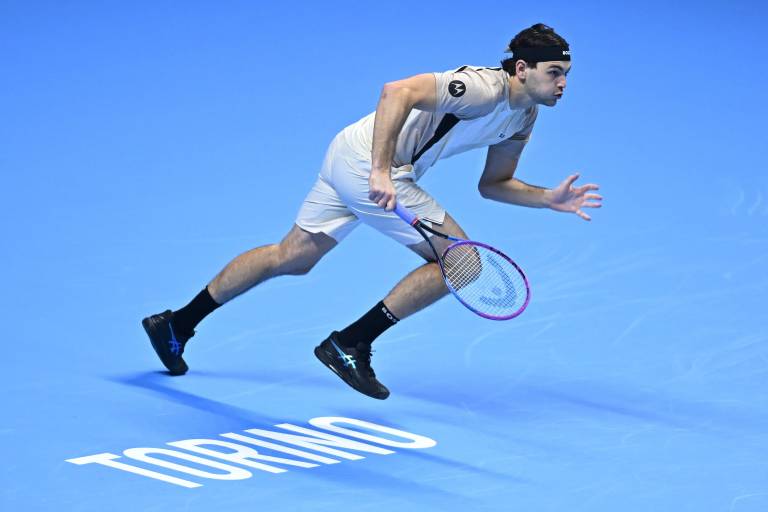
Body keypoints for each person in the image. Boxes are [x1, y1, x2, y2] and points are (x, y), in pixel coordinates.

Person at [142, 23, 602, 400]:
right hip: (372, 164)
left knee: (293, 256)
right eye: (554, 72)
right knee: (462, 261)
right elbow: (395, 92)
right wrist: (381, 171)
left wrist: (547, 198)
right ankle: (350, 343)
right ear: (522, 69)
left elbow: (493, 185)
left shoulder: (523, 117)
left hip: (352, 153)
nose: (562, 83)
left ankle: (176, 324)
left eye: (566, 74)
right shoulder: (481, 90)